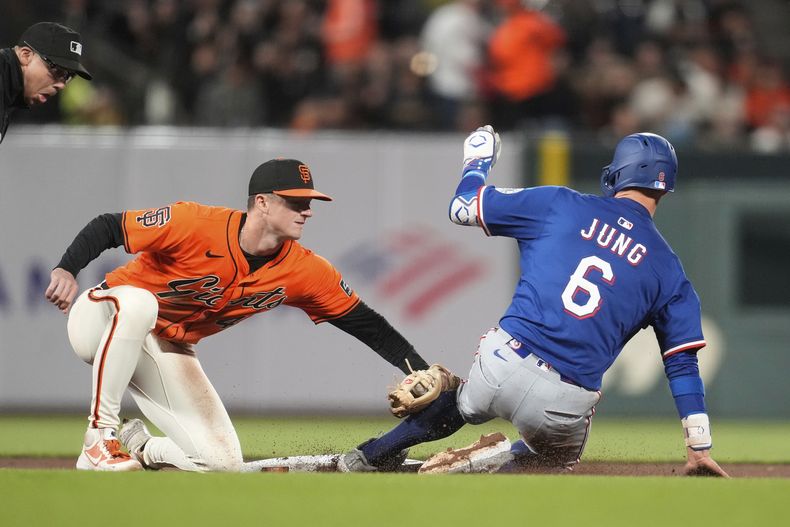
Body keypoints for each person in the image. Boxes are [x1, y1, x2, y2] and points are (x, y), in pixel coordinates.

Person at [338, 126, 729, 477]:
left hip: (502, 361)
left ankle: (369, 456)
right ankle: (485, 462)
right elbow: (682, 364)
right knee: (553, 459)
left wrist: (478, 160)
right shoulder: (670, 271)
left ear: (617, 173)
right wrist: (699, 447)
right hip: (564, 400)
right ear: (665, 187)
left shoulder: (560, 203)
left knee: (460, 402)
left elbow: (461, 208)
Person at [45, 158, 430, 472]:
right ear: (261, 203)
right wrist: (66, 268)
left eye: (309, 202)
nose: (307, 211)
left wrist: (422, 371)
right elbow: (109, 226)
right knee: (141, 304)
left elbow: (367, 325)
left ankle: (143, 448)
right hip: (102, 317)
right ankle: (99, 438)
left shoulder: (307, 271)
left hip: (166, 346)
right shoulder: (195, 223)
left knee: (222, 464)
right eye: (295, 202)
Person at [1, 22, 92, 144]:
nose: (62, 85)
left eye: (68, 76)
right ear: (26, 55)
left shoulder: (8, 90)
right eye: (57, 71)